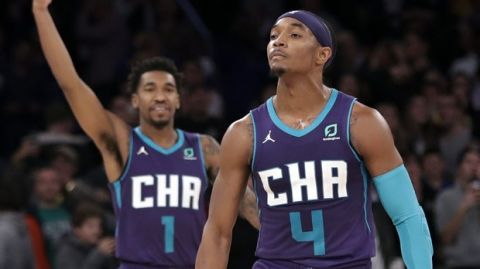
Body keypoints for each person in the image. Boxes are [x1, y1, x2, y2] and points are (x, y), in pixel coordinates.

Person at [196, 10, 433, 269]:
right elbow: (218, 232)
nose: (279, 41)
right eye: (273, 36)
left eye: (295, 34)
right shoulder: (244, 133)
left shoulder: (361, 122)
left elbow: (407, 216)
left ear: (323, 54)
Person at [32, 0, 259, 268]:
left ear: (178, 99)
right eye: (150, 88)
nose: (160, 96)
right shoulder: (123, 142)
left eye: (168, 89)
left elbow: (246, 203)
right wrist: (41, 12)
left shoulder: (204, 148)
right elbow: (71, 84)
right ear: (136, 100)